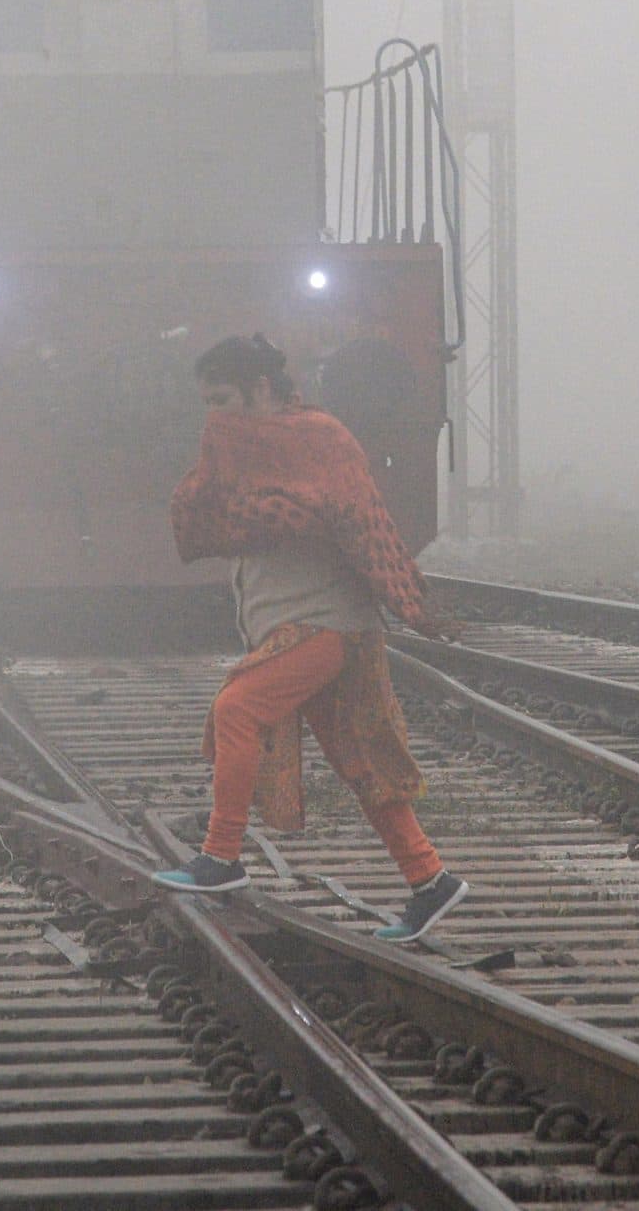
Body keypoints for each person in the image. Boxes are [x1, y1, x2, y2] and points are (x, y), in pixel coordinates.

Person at [150, 334, 469, 943]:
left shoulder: (318, 437)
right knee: (358, 759)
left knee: (236, 709)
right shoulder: (239, 453)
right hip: (292, 623)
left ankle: (220, 856)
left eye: (223, 400)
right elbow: (209, 509)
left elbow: (356, 515)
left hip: (326, 622)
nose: (215, 416)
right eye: (207, 403)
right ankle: (430, 879)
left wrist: (406, 597)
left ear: (260, 388)